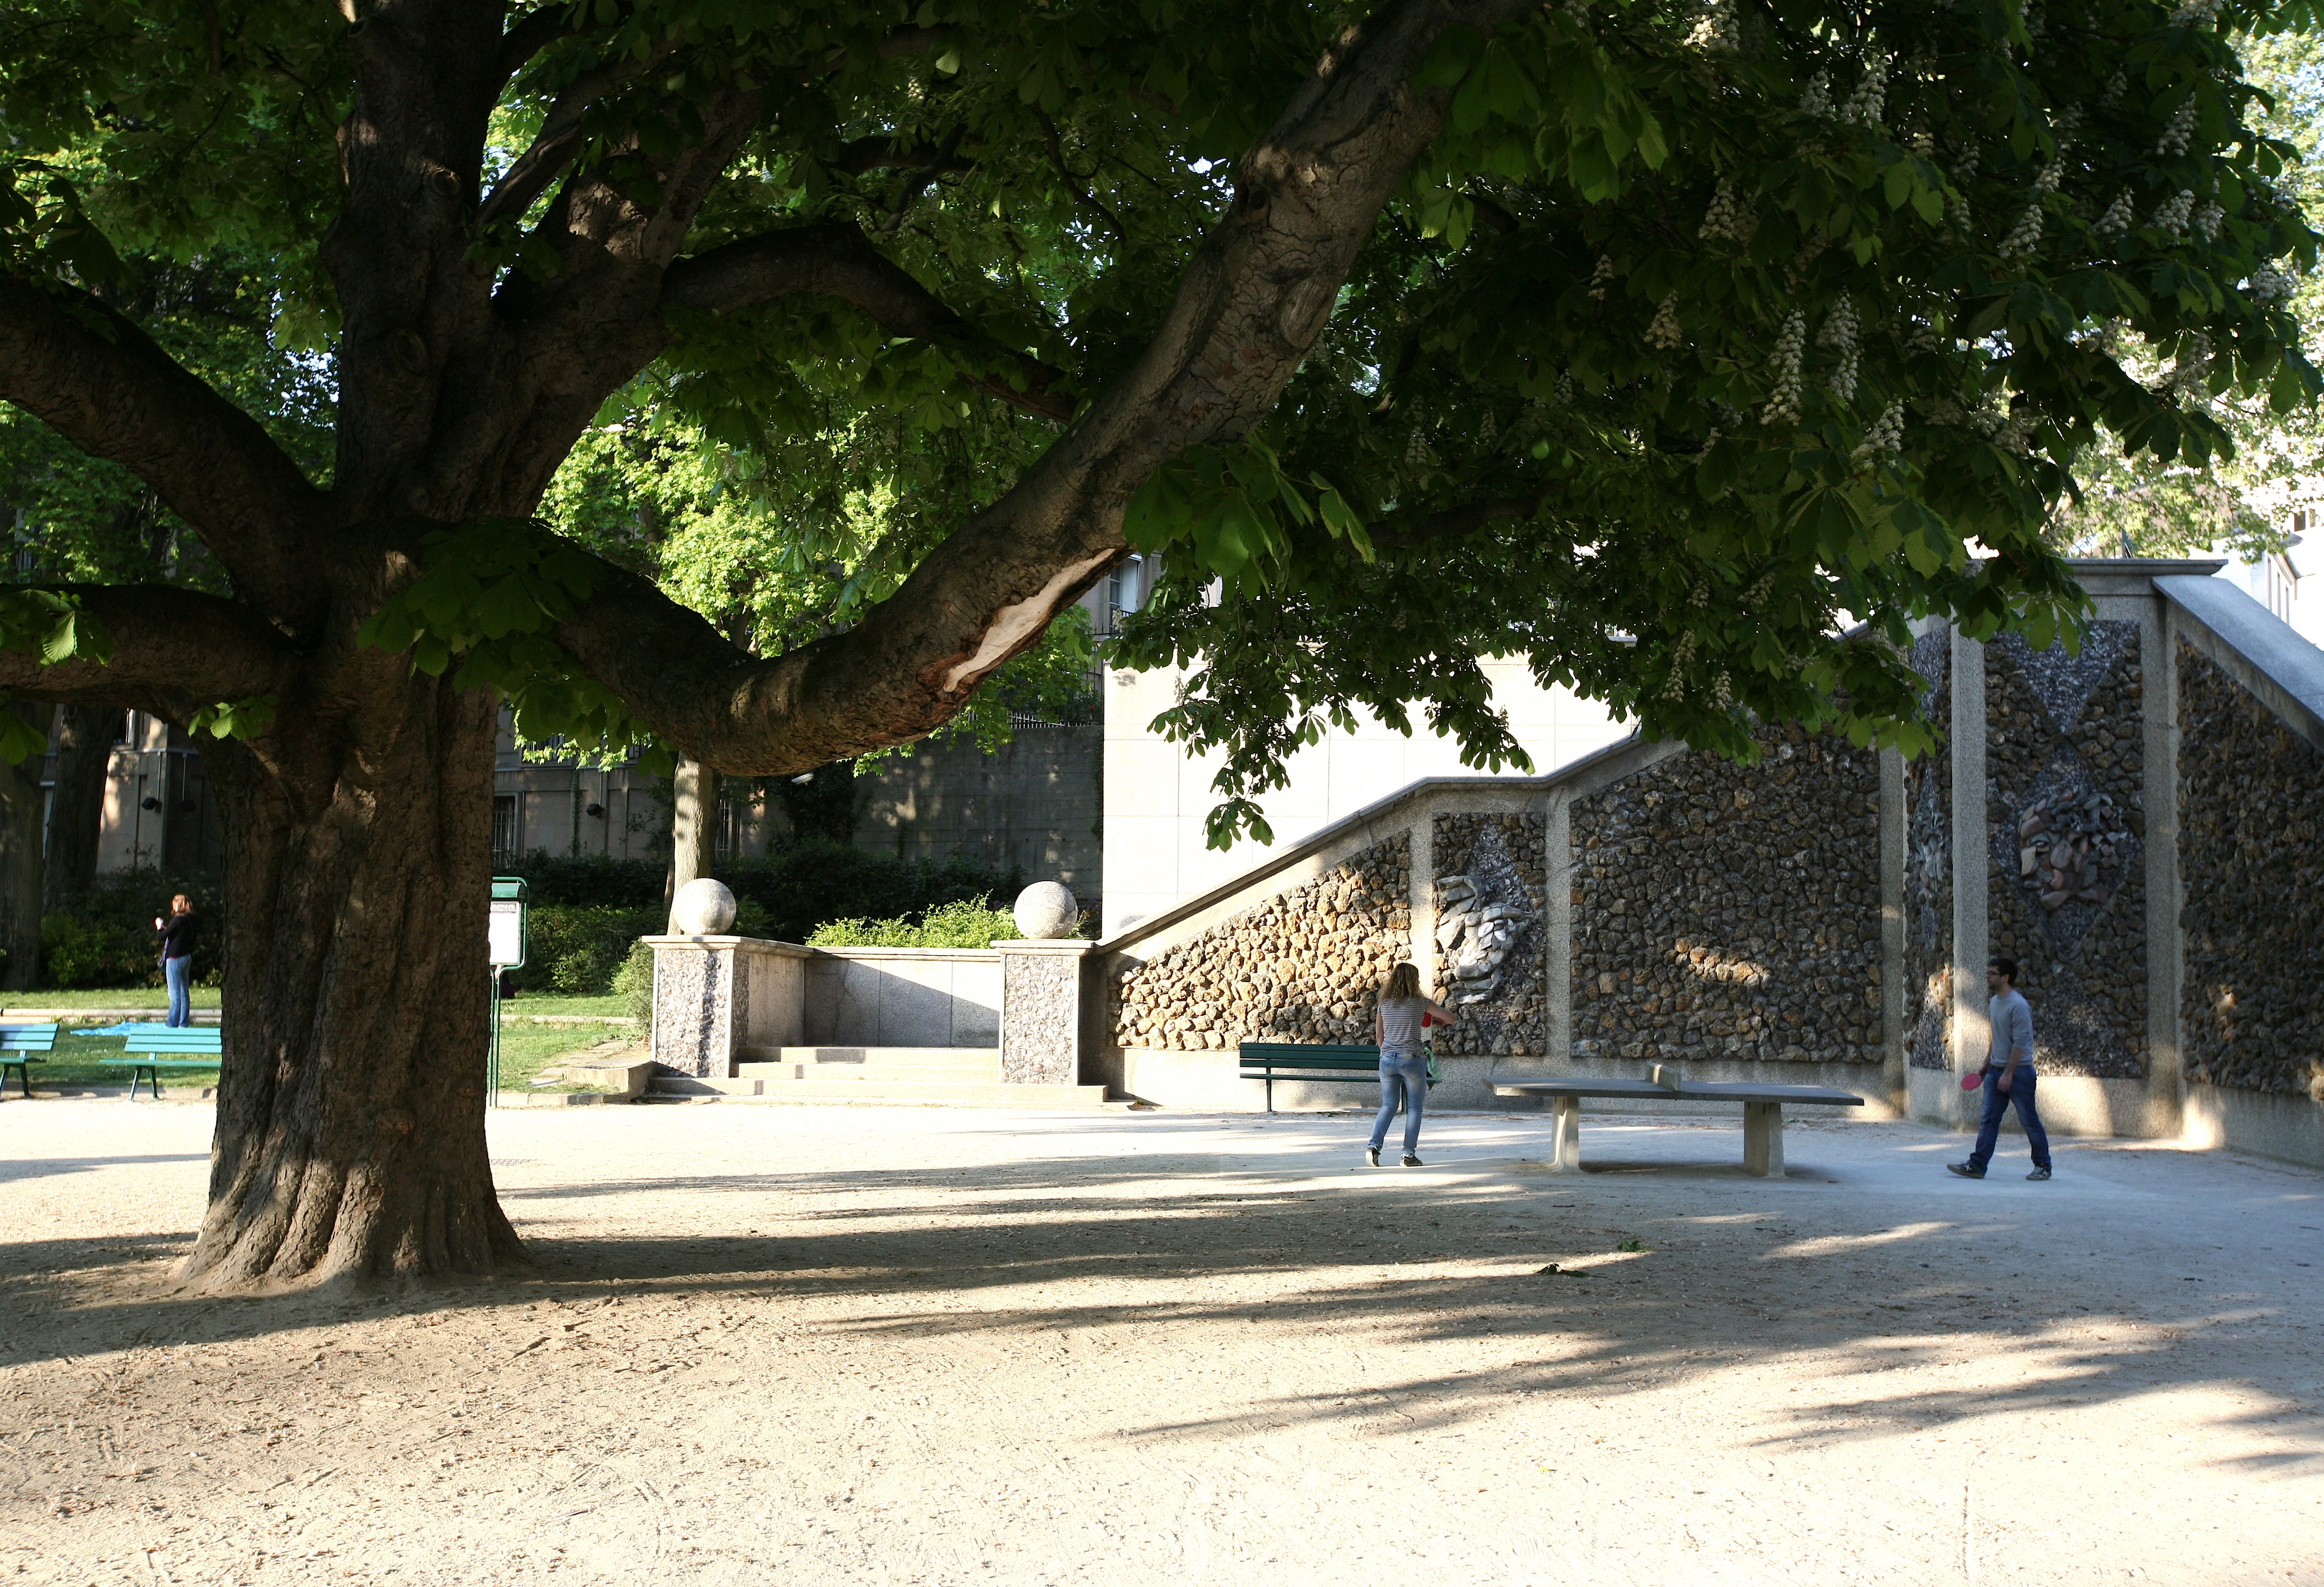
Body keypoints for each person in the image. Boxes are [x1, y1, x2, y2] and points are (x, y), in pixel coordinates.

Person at [1948, 955, 2053, 1181]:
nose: (1988, 976)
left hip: (2019, 1073)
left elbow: (2021, 1044)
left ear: (2005, 978)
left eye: (1992, 973)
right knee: (1988, 1120)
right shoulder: (1995, 1002)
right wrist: (1987, 1065)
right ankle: (1977, 1166)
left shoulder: (2018, 1005)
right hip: (1996, 1070)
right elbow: (1997, 1037)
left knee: (2029, 1121)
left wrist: (2008, 1074)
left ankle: (2043, 1166)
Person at [1367, 962, 1458, 1168]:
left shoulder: (1384, 1003)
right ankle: (1408, 1155)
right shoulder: (1421, 1003)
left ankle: (1374, 1146)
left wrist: (1387, 1052)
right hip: (1412, 1060)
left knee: (1389, 1105)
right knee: (1415, 1108)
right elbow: (1451, 1018)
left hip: (1387, 1060)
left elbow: (1379, 1035)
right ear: (1414, 981)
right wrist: (1441, 1021)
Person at [154, 894, 198, 1028]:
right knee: (184, 993)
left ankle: (172, 1023)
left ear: (178, 905)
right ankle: (183, 1023)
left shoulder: (178, 920)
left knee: (175, 994)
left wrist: (159, 926)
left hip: (175, 959)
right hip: (186, 957)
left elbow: (161, 937)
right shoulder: (190, 921)